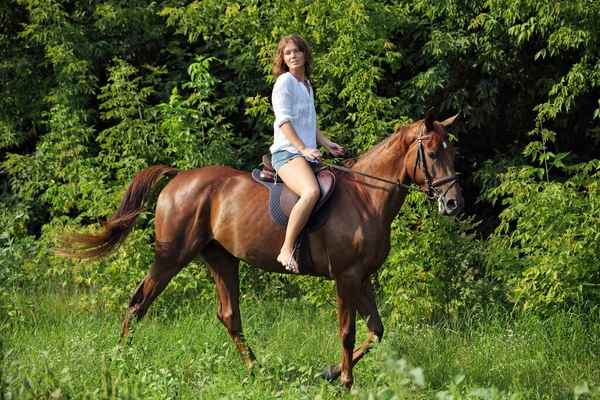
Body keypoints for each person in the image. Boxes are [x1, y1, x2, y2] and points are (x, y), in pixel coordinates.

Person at [269, 34, 345, 273]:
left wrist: (326, 143)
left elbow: (308, 122)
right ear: (283, 58)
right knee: (311, 191)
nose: (293, 56)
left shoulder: (307, 86)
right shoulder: (285, 82)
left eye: (296, 51)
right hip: (287, 154)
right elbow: (284, 122)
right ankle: (286, 248)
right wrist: (302, 148)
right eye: (287, 52)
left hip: (305, 155)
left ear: (305, 54)